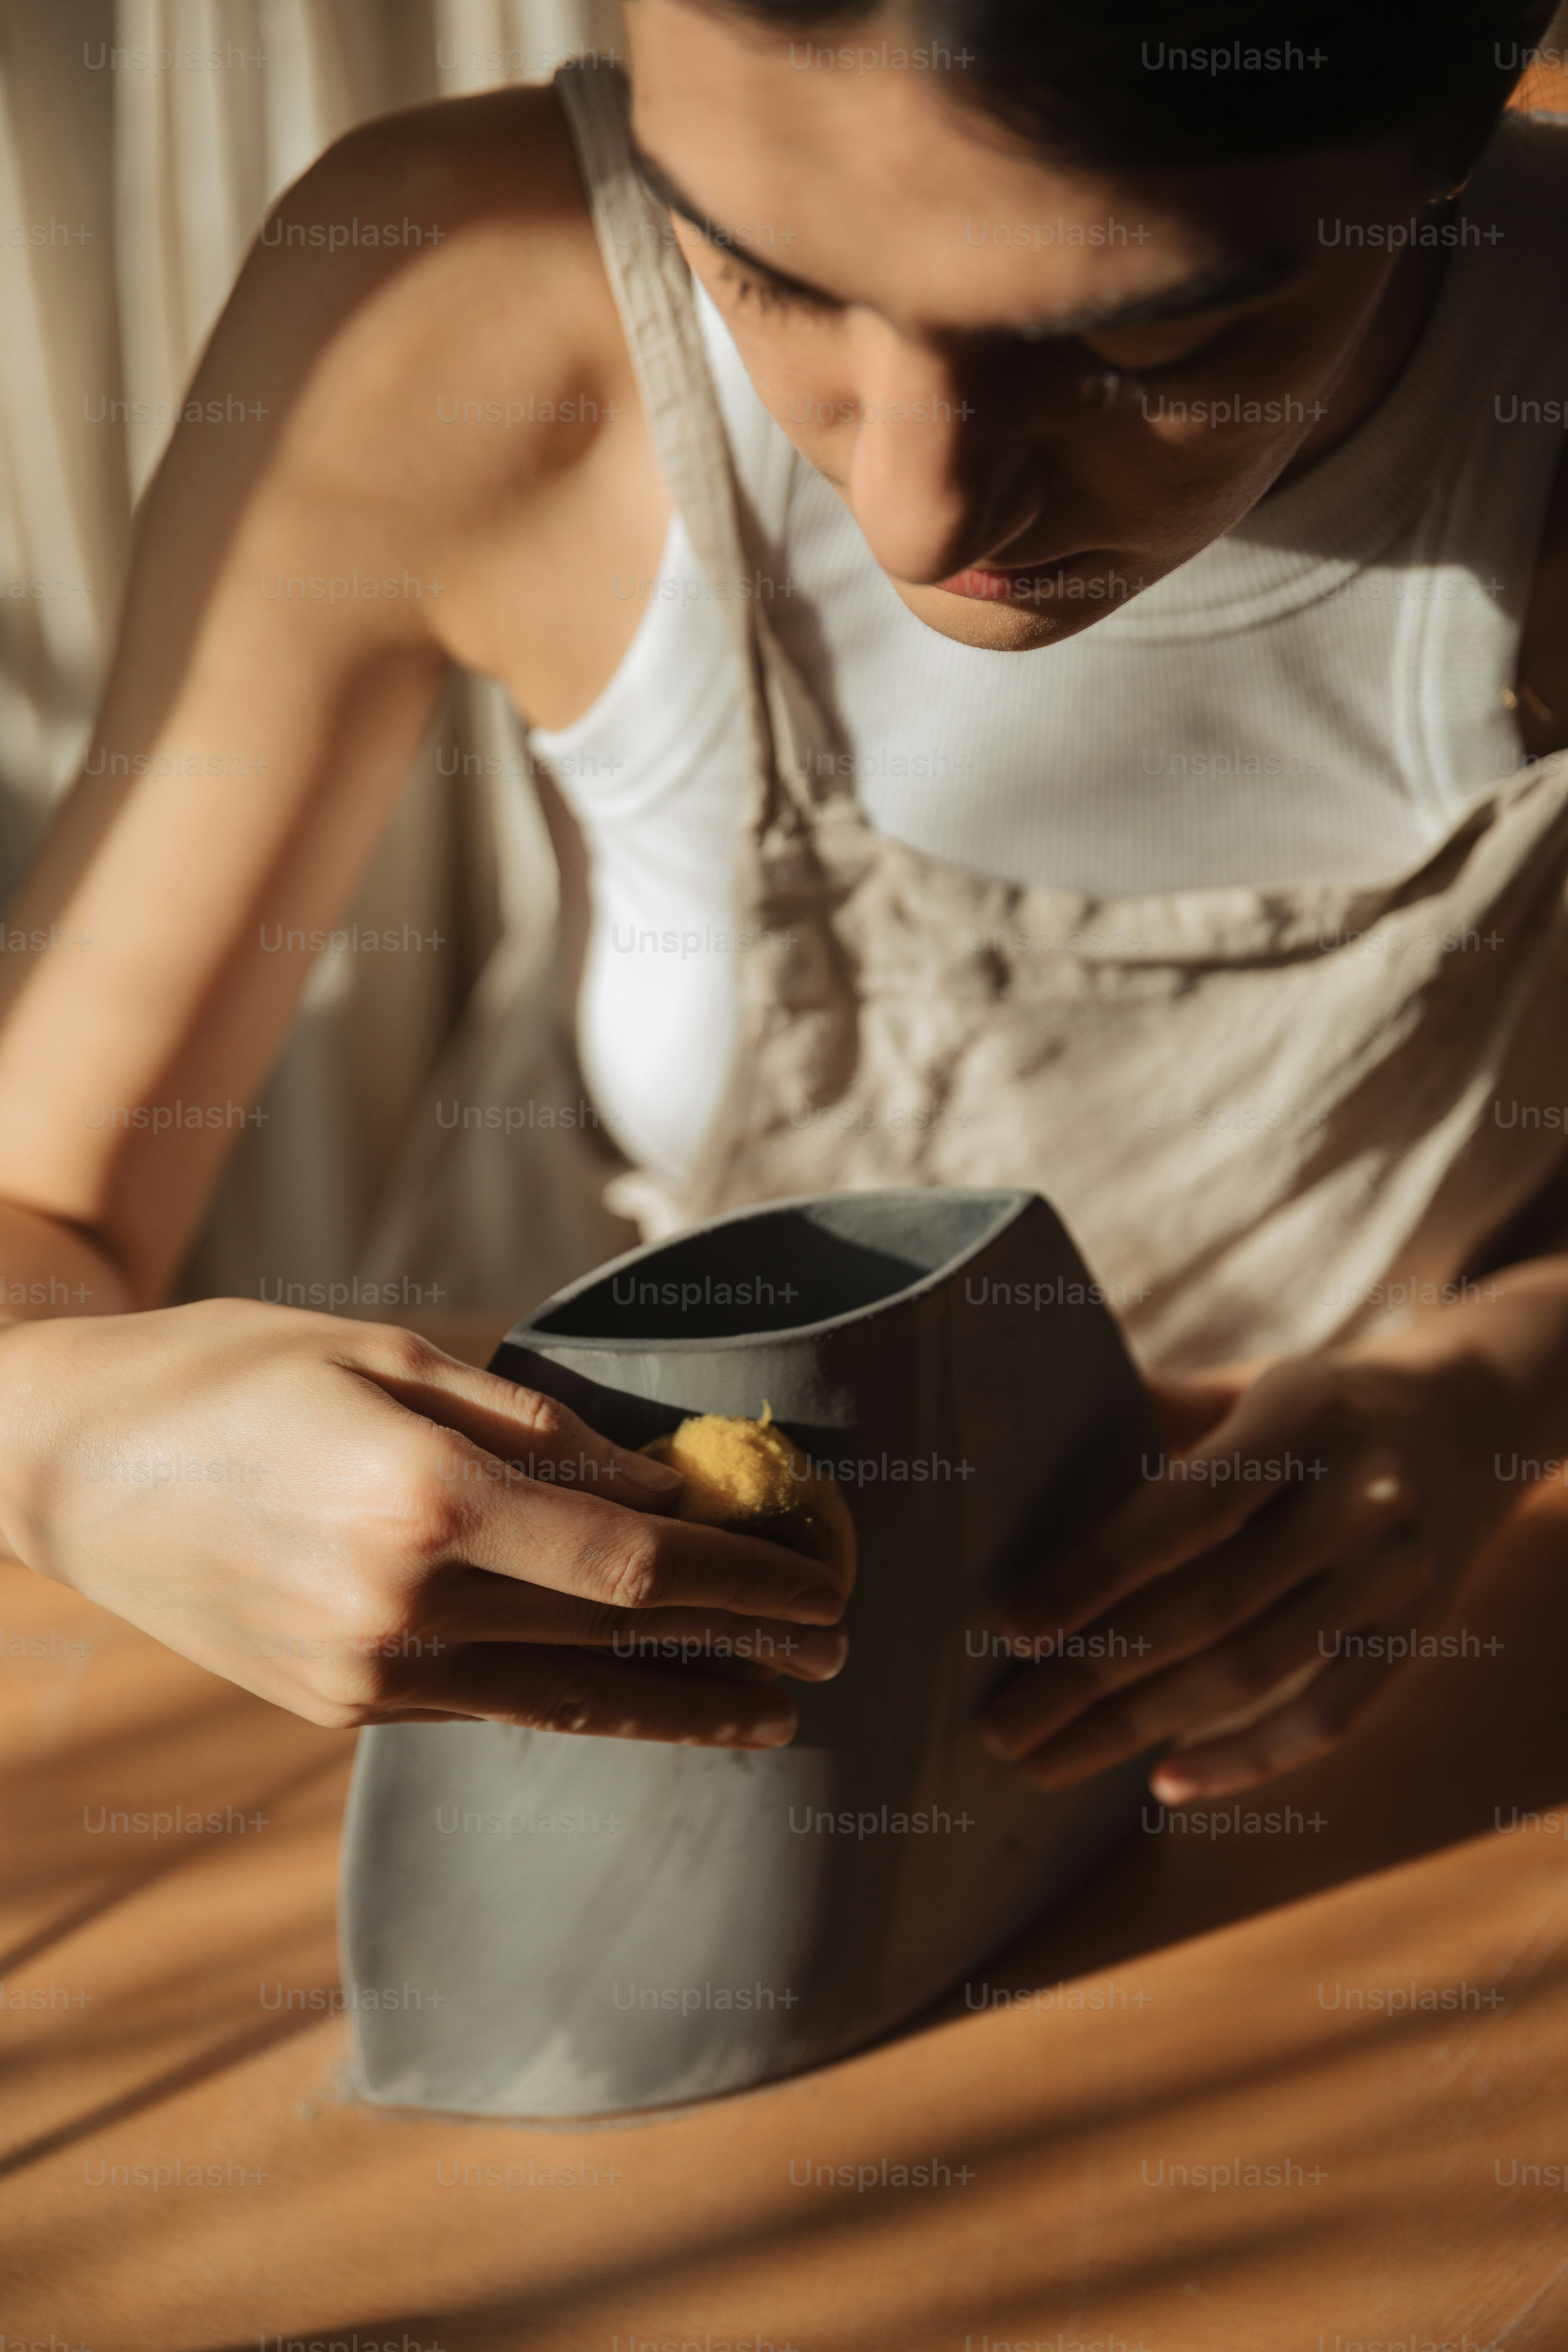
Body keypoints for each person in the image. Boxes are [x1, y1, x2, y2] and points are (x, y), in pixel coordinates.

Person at [1, 0, 1565, 1806]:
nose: (918, 510)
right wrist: (83, 1440)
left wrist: (1490, 1390)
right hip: (494, 1763)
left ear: (1455, 117)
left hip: (1287, 1796)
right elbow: (43, 1209)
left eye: (1147, 339)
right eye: (760, 276)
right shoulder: (464, 302)